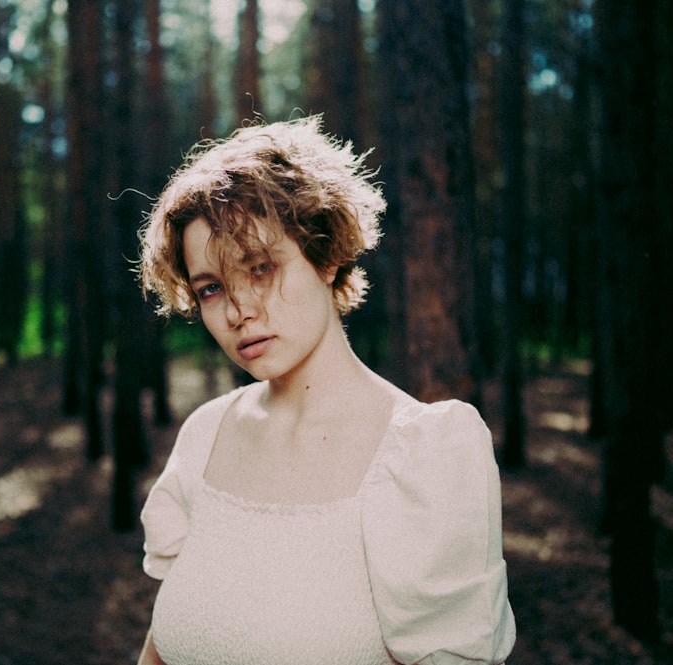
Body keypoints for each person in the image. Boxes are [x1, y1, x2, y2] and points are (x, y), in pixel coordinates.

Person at [135, 116, 515, 665]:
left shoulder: (425, 455)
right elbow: (163, 646)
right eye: (212, 288)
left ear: (327, 254)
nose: (240, 310)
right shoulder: (206, 435)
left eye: (261, 268)